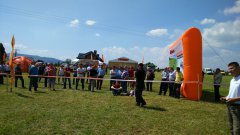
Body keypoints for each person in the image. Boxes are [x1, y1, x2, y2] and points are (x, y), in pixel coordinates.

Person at [221, 62, 240, 135]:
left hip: (237, 107)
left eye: (231, 68)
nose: (229, 70)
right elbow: (231, 94)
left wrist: (234, 100)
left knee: (237, 129)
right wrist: (226, 97)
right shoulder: (232, 80)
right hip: (229, 106)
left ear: (238, 68)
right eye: (229, 69)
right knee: (231, 127)